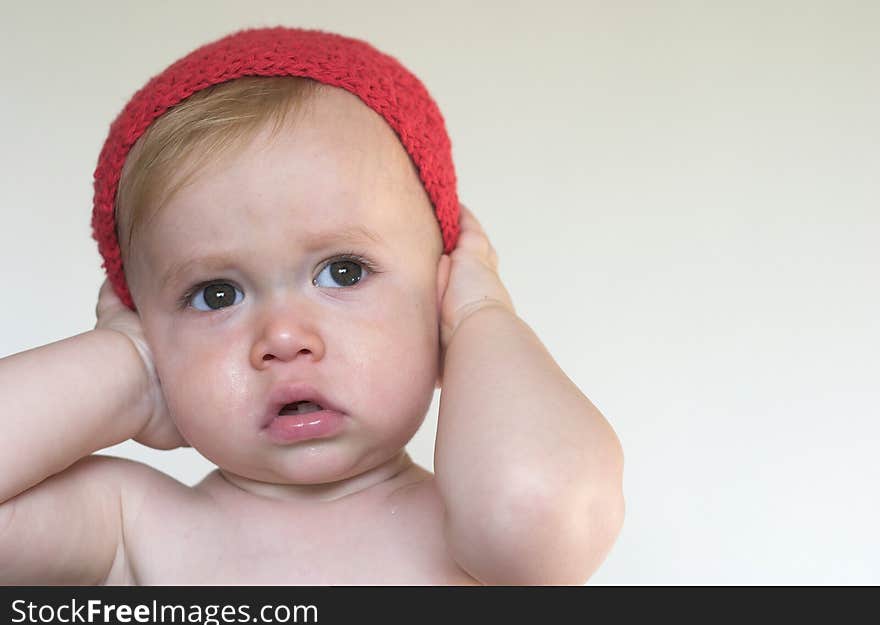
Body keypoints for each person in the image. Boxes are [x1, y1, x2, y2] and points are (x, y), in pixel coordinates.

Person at [0, 26, 624, 585]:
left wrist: (480, 316)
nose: (284, 336)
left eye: (344, 272)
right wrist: (129, 371)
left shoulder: (470, 535)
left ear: (439, 294)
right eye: (216, 295)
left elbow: (539, 510)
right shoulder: (133, 530)